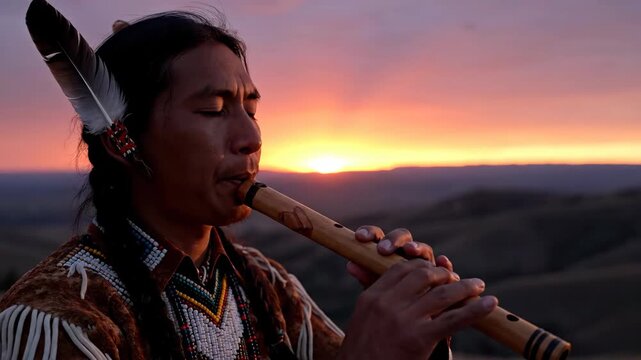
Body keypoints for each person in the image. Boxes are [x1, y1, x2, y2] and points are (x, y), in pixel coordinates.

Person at [0, 4, 497, 360]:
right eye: (214, 110)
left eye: (252, 109)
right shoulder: (59, 320)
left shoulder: (268, 285)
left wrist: (417, 334)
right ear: (122, 141)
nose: (250, 137)